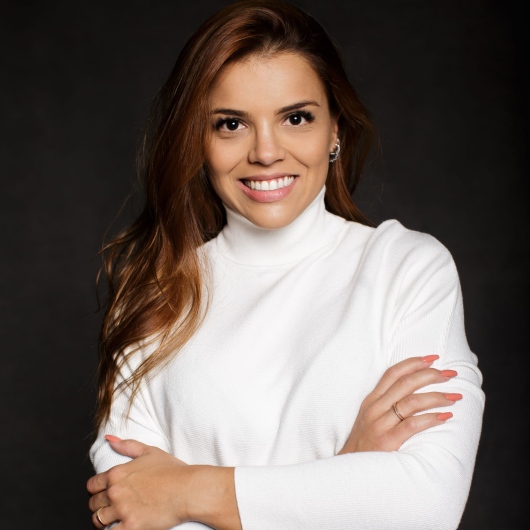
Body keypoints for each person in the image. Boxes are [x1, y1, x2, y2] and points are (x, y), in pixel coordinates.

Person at [87, 1, 485, 528]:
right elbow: (132, 506)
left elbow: (426, 506)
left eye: (296, 118)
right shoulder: (151, 298)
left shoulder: (407, 270)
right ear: (198, 140)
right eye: (231, 124)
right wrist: (346, 472)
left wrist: (188, 490)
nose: (266, 152)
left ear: (334, 129)